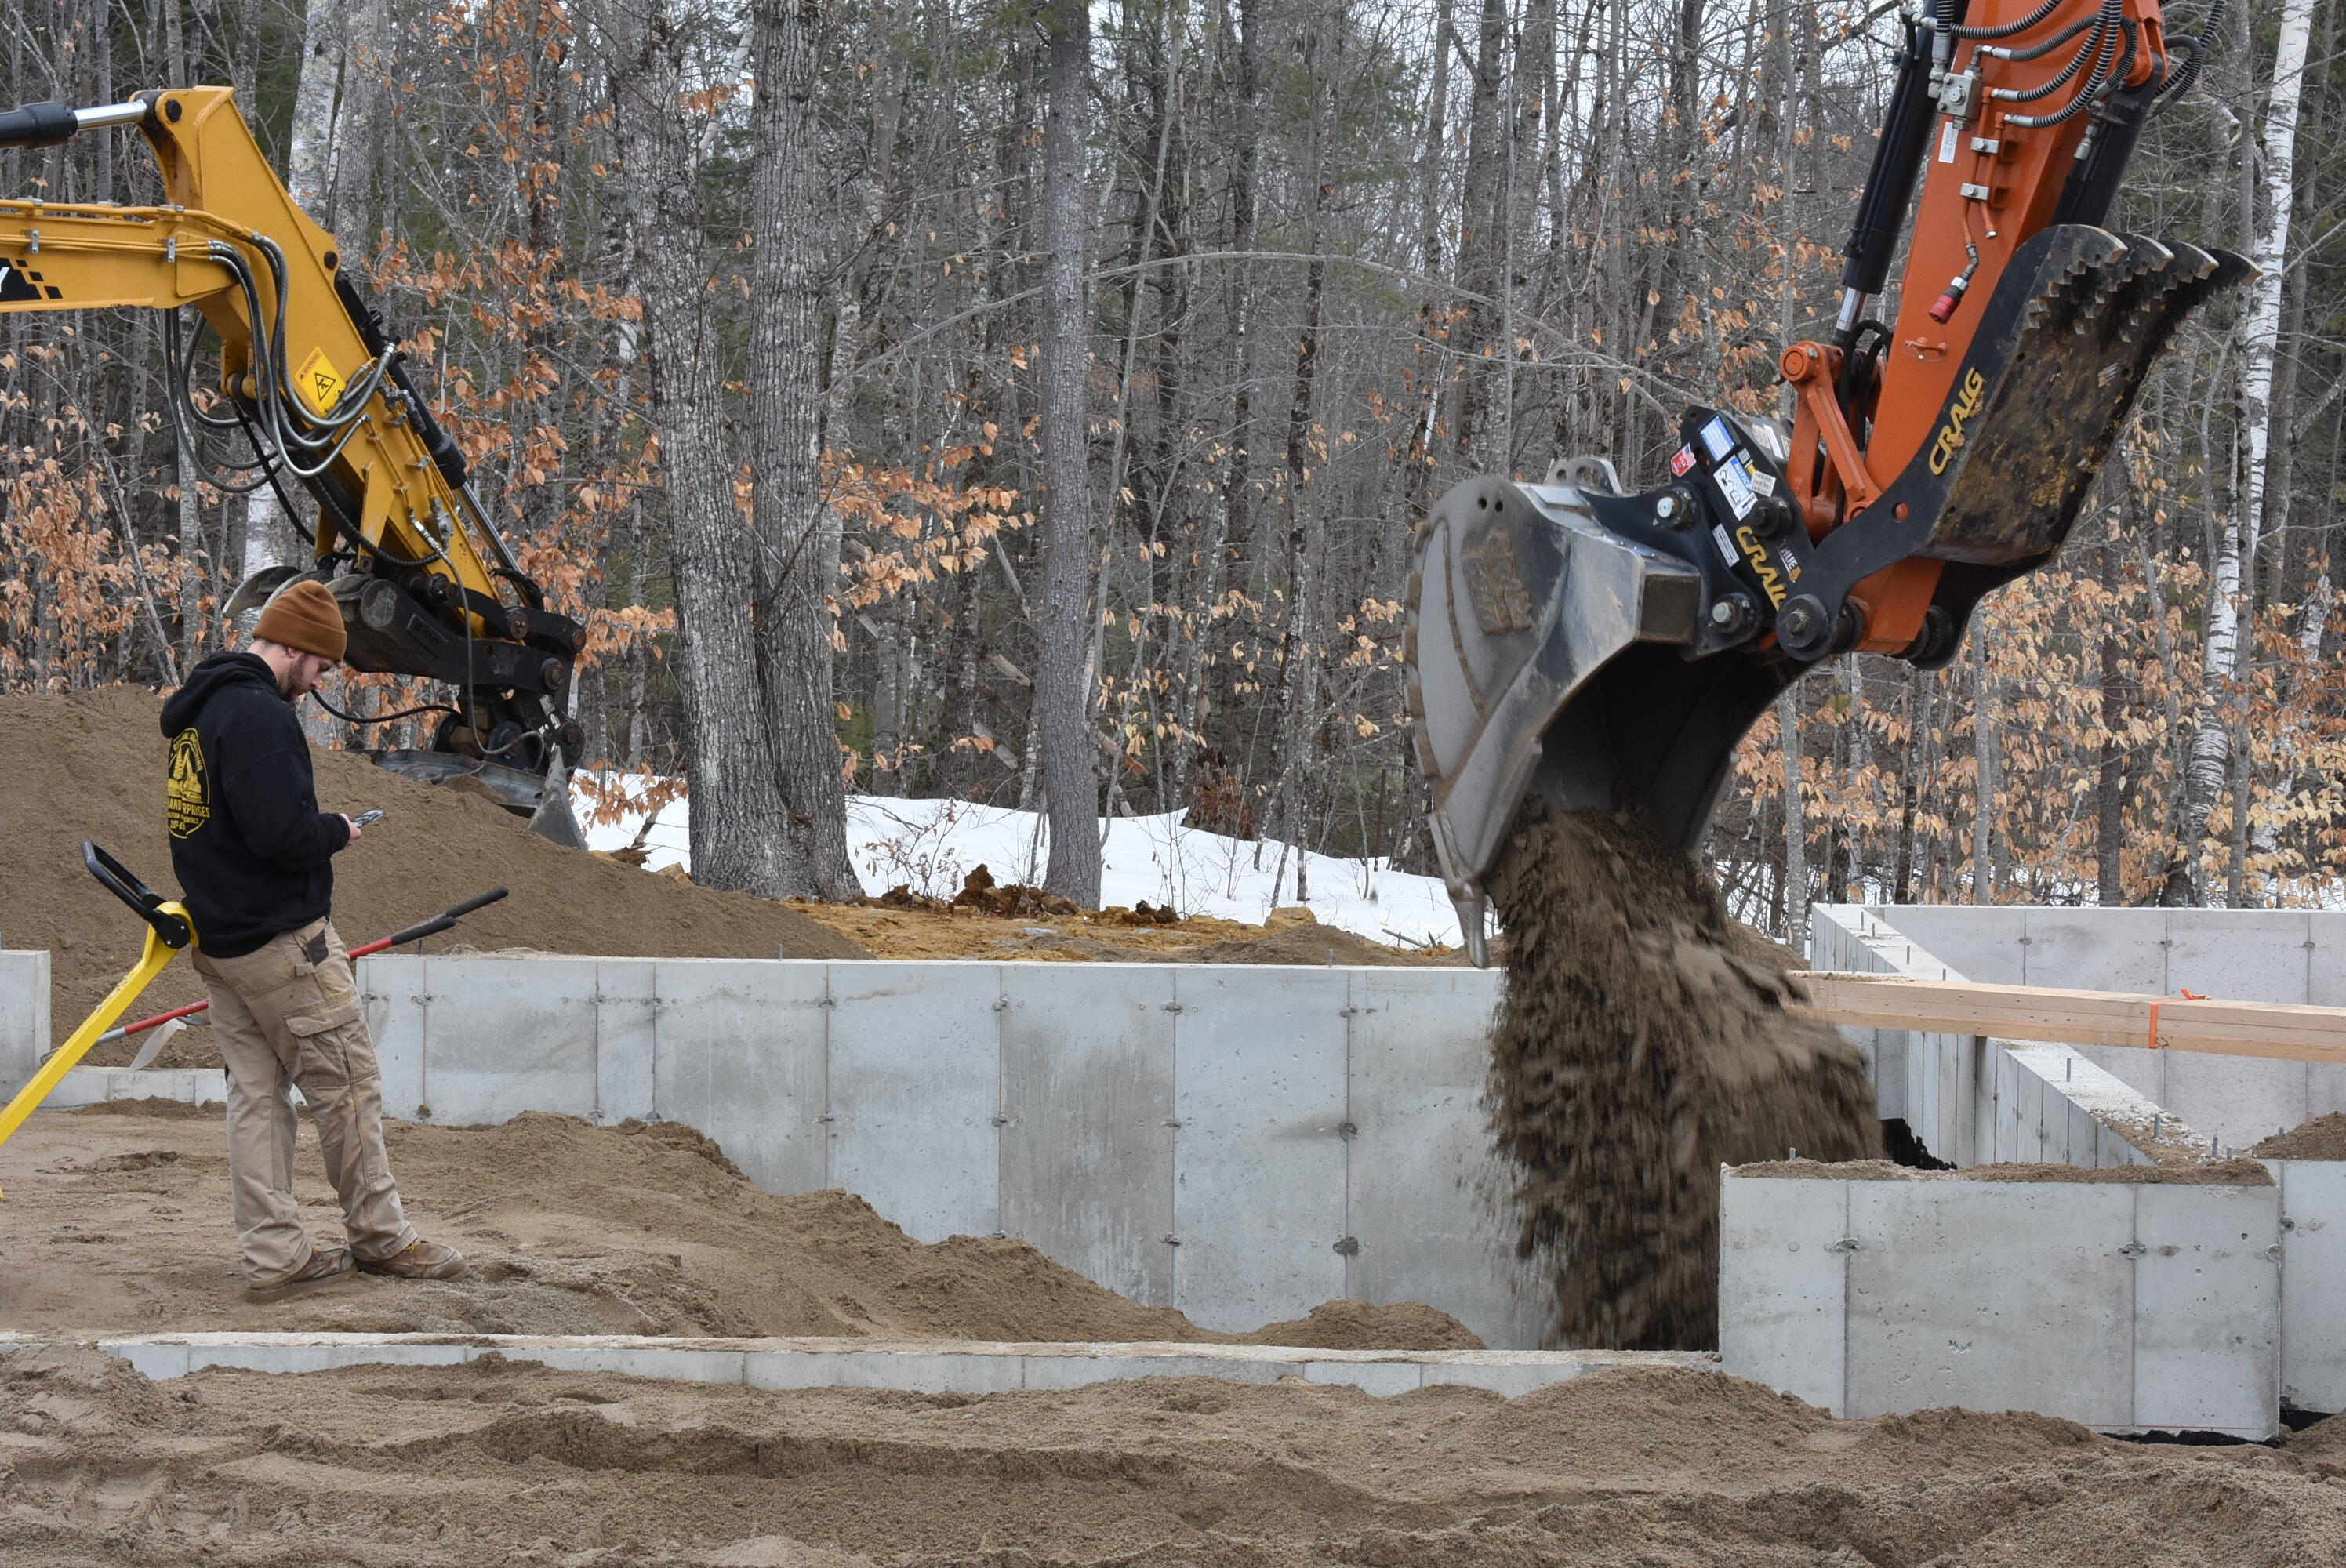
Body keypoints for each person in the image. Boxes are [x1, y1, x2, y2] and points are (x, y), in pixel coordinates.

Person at [159, 579, 465, 1303]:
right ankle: (383, 1239)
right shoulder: (260, 717)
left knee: (258, 1101)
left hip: (224, 945)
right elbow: (282, 836)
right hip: (284, 947)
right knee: (348, 1089)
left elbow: (212, 826)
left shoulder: (200, 714)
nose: (321, 678)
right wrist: (337, 831)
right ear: (293, 646)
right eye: (320, 664)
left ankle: (276, 1257)